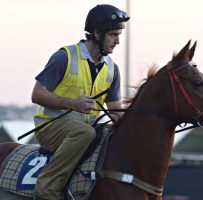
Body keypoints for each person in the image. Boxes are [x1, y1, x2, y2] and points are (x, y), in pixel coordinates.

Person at [31, 4, 130, 200]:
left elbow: (115, 110)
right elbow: (37, 94)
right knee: (85, 132)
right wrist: (72, 104)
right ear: (96, 33)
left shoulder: (112, 68)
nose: (118, 41)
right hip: (50, 127)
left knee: (109, 135)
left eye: (119, 35)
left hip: (86, 132)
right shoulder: (63, 57)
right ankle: (46, 190)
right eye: (113, 34)